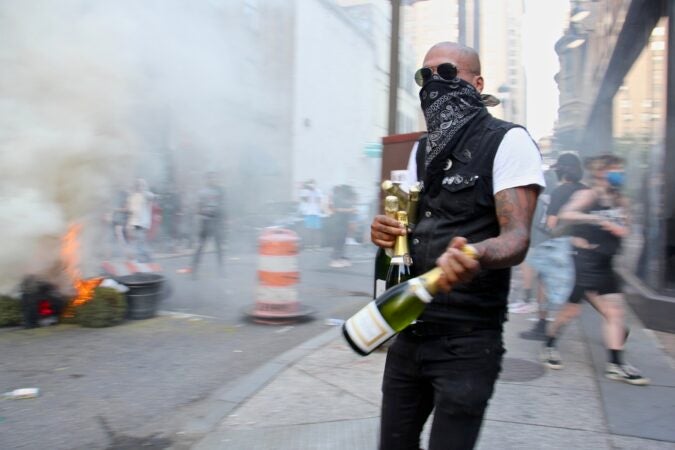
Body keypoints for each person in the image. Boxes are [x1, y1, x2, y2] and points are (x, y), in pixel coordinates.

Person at [370, 42, 544, 450]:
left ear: (477, 82)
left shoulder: (508, 141)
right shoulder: (421, 149)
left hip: (467, 341)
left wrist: (476, 253)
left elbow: (517, 239)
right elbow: (406, 232)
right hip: (409, 330)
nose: (434, 83)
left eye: (446, 72)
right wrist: (384, 232)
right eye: (424, 76)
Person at [541, 155, 649, 385]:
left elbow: (626, 227)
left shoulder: (621, 199)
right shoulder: (589, 194)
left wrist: (622, 227)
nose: (619, 173)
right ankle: (550, 345)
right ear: (601, 172)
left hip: (605, 262)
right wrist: (598, 220)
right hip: (584, 260)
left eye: (620, 169)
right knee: (572, 311)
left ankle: (615, 364)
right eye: (614, 169)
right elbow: (566, 214)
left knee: (614, 312)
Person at [520, 153, 587, 340]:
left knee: (543, 282)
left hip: (561, 246)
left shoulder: (560, 191)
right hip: (584, 249)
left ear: (561, 171)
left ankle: (542, 327)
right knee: (586, 291)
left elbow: (551, 223)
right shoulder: (585, 190)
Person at [191, 172, 225, 277]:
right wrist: (205, 212)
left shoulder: (219, 191)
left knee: (219, 247)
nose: (213, 180)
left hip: (216, 222)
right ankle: (194, 271)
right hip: (205, 221)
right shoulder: (202, 192)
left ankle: (221, 271)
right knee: (200, 247)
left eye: (214, 178)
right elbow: (197, 208)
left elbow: (223, 206)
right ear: (206, 180)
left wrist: (221, 217)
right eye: (210, 178)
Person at [126, 178, 155, 263]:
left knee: (140, 240)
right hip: (135, 222)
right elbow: (130, 210)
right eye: (138, 185)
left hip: (142, 222)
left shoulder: (146, 195)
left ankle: (145, 258)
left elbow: (151, 196)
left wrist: (143, 188)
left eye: (140, 185)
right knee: (138, 241)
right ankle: (145, 258)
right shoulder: (133, 196)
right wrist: (129, 223)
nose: (139, 187)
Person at [329, 184, 356, 268]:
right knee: (338, 241)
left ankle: (340, 258)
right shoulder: (337, 197)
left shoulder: (344, 198)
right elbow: (335, 209)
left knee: (342, 241)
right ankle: (334, 260)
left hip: (343, 223)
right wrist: (349, 210)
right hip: (337, 223)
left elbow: (349, 205)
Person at [298, 179, 323, 249]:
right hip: (309, 213)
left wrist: (314, 191)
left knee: (317, 230)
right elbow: (304, 199)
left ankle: (317, 245)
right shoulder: (306, 191)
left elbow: (319, 200)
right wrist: (306, 190)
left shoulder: (318, 191)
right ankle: (309, 245)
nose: (312, 185)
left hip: (316, 213)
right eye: (311, 184)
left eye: (313, 183)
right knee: (309, 230)